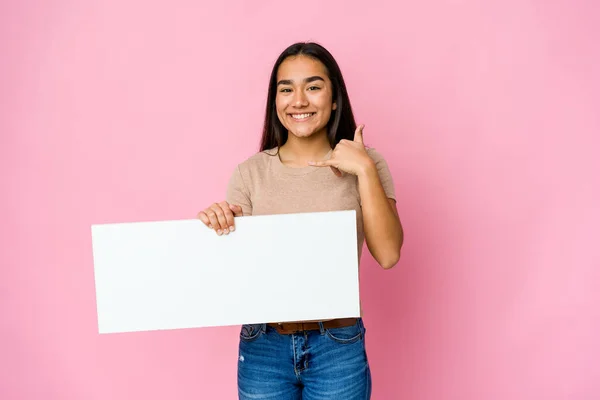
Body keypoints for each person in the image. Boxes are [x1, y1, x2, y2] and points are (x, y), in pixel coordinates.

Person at [197, 41, 404, 400]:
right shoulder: (250, 174)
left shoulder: (367, 164)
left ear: (335, 97)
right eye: (286, 89)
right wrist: (218, 225)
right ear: (275, 101)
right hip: (263, 344)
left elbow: (387, 255)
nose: (299, 101)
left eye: (313, 87)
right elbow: (236, 271)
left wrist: (365, 170)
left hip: (336, 342)